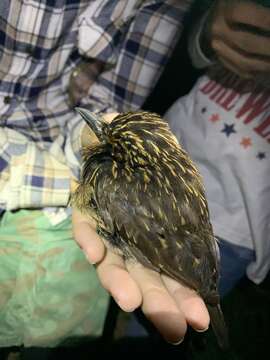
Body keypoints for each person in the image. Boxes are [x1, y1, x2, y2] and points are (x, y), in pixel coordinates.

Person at [0, 0, 210, 355]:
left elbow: (105, 101)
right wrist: (66, 180)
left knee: (42, 328)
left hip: (50, 191)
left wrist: (83, 146)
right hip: (39, 178)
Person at [165, 0, 270, 297]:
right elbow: (187, 46)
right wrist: (208, 24)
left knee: (175, 314)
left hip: (234, 226)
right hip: (166, 181)